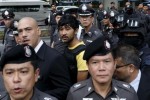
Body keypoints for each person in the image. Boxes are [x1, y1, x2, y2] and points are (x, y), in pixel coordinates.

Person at [66, 36, 138, 100]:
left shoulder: (128, 94)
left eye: (107, 61)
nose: (101, 68)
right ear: (88, 66)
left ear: (114, 64)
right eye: (95, 62)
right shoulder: (76, 94)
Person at [17, 17, 72, 100]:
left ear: (39, 31)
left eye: (28, 29)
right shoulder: (20, 56)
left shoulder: (55, 58)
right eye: (20, 31)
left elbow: (65, 90)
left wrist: (35, 96)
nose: (24, 34)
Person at [58, 15, 88, 84]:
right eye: (61, 29)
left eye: (67, 29)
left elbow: (80, 86)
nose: (63, 33)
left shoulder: (82, 53)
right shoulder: (67, 47)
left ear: (76, 31)